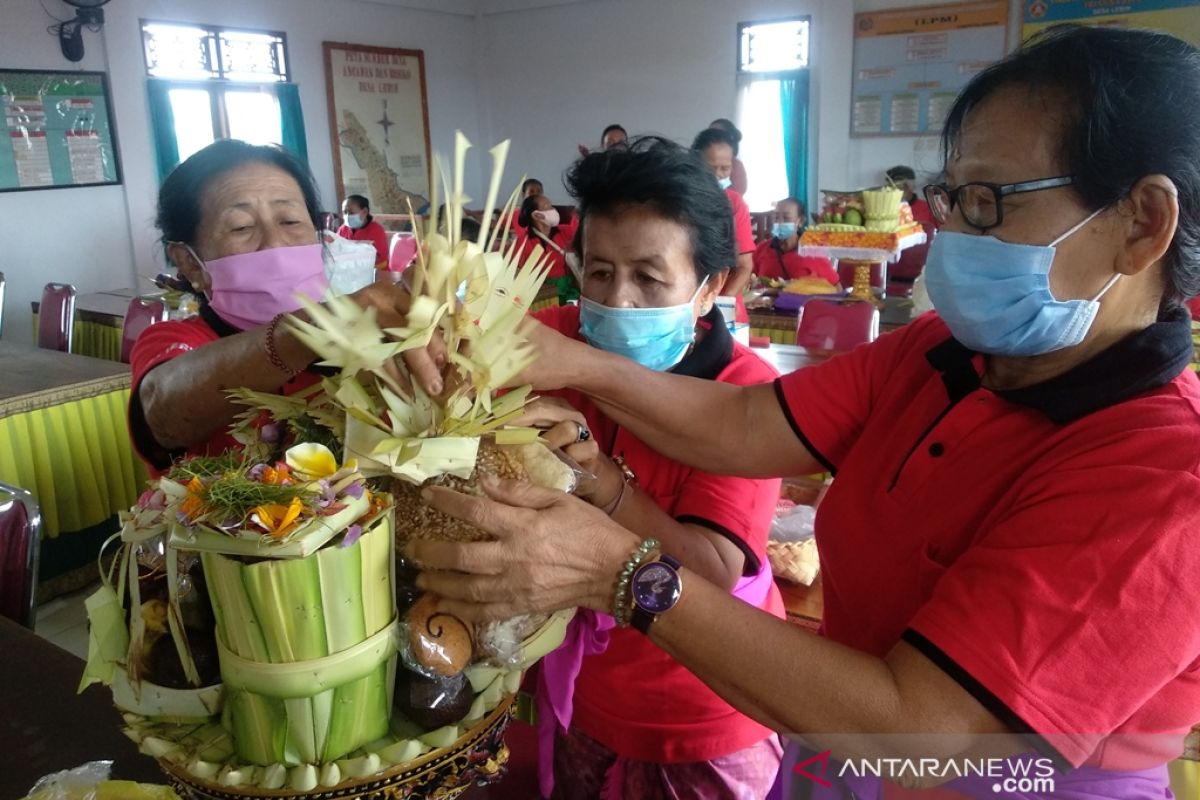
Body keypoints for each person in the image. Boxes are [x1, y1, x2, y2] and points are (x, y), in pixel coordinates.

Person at [405, 25, 1200, 798]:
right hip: (834, 744)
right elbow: (743, 425)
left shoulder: (1166, 477)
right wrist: (572, 359)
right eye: (948, 199)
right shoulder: (940, 356)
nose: (949, 233)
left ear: (1141, 225)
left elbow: (926, 735)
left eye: (988, 203)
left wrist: (618, 571)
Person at [519, 135, 784, 799]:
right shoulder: (558, 338)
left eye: (649, 276)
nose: (619, 301)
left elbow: (713, 571)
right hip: (585, 689)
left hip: (696, 704)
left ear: (710, 287)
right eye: (600, 272)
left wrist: (599, 480)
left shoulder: (743, 393)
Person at [130, 140, 418, 474]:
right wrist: (307, 331)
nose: (274, 244)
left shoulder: (372, 332)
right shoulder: (176, 340)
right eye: (241, 228)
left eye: (290, 221)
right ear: (189, 263)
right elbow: (163, 413)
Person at [692, 127, 755, 298]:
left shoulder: (735, 204)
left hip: (724, 297)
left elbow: (744, 266)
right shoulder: (682, 200)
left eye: (725, 168)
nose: (718, 175)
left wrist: (721, 303)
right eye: (711, 169)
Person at [754, 197, 838, 284]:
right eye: (776, 218)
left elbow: (835, 286)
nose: (780, 222)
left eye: (786, 218)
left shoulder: (813, 252)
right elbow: (750, 280)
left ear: (800, 221)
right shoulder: (761, 249)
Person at [516, 193, 580, 304]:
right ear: (537, 215)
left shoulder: (567, 232)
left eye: (552, 206)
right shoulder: (523, 243)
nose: (554, 210)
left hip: (572, 292)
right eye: (548, 207)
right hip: (545, 298)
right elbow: (517, 276)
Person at [337, 194, 390, 269]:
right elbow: (336, 250)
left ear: (364, 212)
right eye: (345, 212)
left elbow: (378, 258)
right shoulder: (342, 229)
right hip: (350, 271)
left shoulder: (376, 230)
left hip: (376, 273)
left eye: (351, 213)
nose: (347, 216)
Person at [709, 117, 748, 196]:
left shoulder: (735, 165)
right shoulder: (701, 160)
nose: (711, 136)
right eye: (709, 132)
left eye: (717, 133)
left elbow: (737, 193)